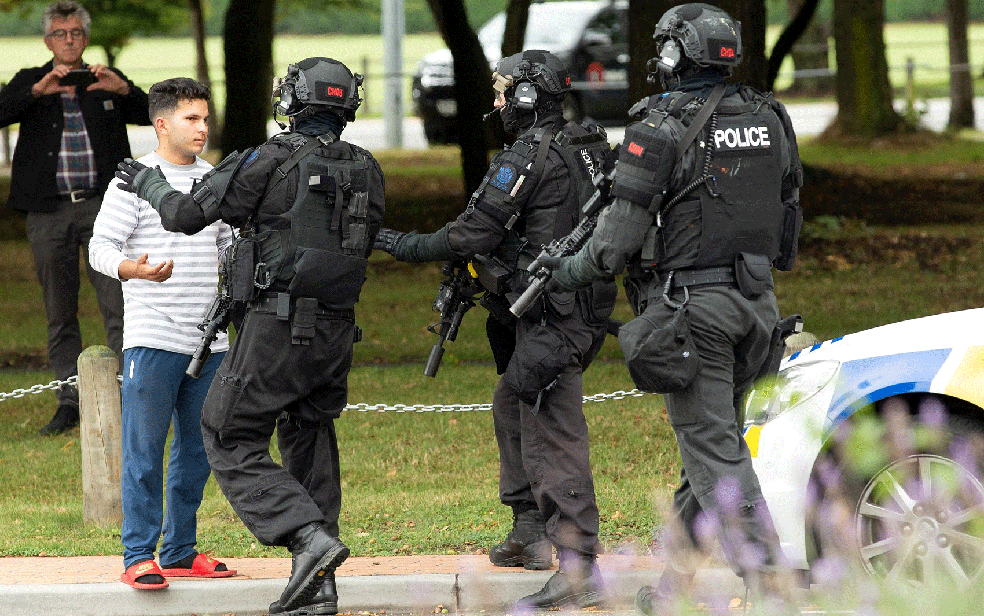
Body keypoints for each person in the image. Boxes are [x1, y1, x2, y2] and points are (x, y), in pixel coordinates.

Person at [538, 4, 804, 613]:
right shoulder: (770, 116)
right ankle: (671, 592)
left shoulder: (656, 126)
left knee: (715, 454)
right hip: (759, 307)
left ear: (673, 56)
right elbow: (789, 206)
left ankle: (771, 587)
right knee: (709, 448)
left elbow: (612, 245)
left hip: (693, 315)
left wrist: (565, 272)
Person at [113, 57, 385, 616]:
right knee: (310, 439)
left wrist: (147, 181)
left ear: (294, 100)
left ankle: (306, 536)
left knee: (227, 432)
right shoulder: (367, 166)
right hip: (336, 334)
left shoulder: (270, 158)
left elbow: (186, 215)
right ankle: (318, 585)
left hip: (276, 327)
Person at [373, 49, 617, 609]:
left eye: (504, 92)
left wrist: (399, 243)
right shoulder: (588, 143)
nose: (497, 102)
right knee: (511, 401)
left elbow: (473, 233)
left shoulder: (528, 154)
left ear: (528, 96)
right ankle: (529, 529)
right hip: (577, 305)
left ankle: (579, 567)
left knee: (552, 428)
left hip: (554, 313)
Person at [89, 77, 236, 590]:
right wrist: (134, 270)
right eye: (191, 118)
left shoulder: (214, 179)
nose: (202, 128)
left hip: (211, 341)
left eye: (205, 118)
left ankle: (178, 550)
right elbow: (100, 248)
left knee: (198, 452)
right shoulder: (133, 180)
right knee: (145, 452)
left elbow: (230, 246)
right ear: (161, 123)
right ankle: (138, 555)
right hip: (152, 338)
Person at [0, 0, 151, 435]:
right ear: (48, 40)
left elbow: (154, 116)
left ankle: (128, 396)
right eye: (60, 33)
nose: (69, 40)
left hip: (106, 208)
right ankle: (70, 400)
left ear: (86, 38)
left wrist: (123, 90)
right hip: (48, 211)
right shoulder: (31, 80)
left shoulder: (105, 80)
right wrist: (36, 92)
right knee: (60, 310)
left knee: (119, 305)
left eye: (76, 33)